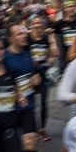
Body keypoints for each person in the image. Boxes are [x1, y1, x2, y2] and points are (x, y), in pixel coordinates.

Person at [3, 23, 42, 152]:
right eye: (19, 34)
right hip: (8, 108)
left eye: (25, 33)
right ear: (11, 38)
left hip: (28, 105)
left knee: (32, 144)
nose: (25, 36)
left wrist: (36, 79)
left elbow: (34, 76)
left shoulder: (28, 54)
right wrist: (15, 92)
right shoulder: (4, 56)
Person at [24, 14, 58, 142]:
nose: (38, 25)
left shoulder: (46, 37)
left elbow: (52, 53)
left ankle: (42, 129)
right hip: (30, 73)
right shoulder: (27, 38)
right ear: (31, 25)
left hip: (43, 73)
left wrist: (50, 58)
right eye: (35, 23)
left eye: (40, 22)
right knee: (30, 102)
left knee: (44, 102)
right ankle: (30, 128)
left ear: (43, 24)